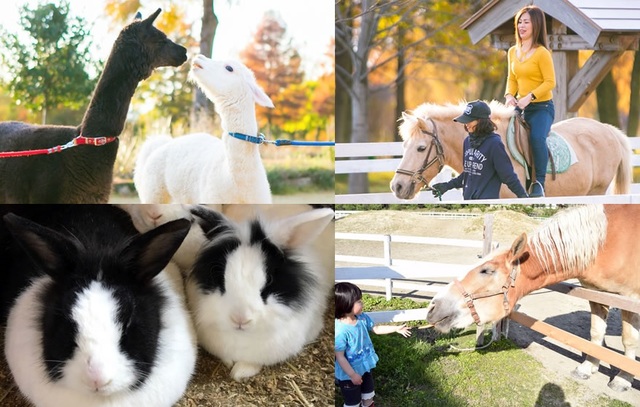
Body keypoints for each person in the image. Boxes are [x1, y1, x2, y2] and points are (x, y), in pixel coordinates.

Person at [504, 5, 556, 197]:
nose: (522, 25)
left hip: (542, 108)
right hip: (519, 106)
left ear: (536, 25)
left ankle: (539, 184)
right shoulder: (512, 51)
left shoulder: (542, 53)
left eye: (526, 22)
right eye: (519, 21)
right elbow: (512, 79)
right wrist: (509, 95)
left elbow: (550, 82)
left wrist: (529, 97)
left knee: (536, 138)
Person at [431, 100, 528, 200]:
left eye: (470, 121)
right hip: (468, 203)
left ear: (481, 121)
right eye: (465, 121)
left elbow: (508, 175)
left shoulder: (494, 144)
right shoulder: (467, 142)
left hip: (486, 204)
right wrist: (447, 186)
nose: (466, 124)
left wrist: (523, 196)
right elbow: (469, 173)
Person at [334, 282, 412, 407]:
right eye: (358, 301)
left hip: (364, 367)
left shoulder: (362, 318)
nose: (362, 303)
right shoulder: (340, 331)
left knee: (368, 395)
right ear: (345, 304)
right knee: (353, 402)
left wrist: (396, 328)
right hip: (349, 374)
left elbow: (376, 328)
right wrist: (352, 375)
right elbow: (340, 356)